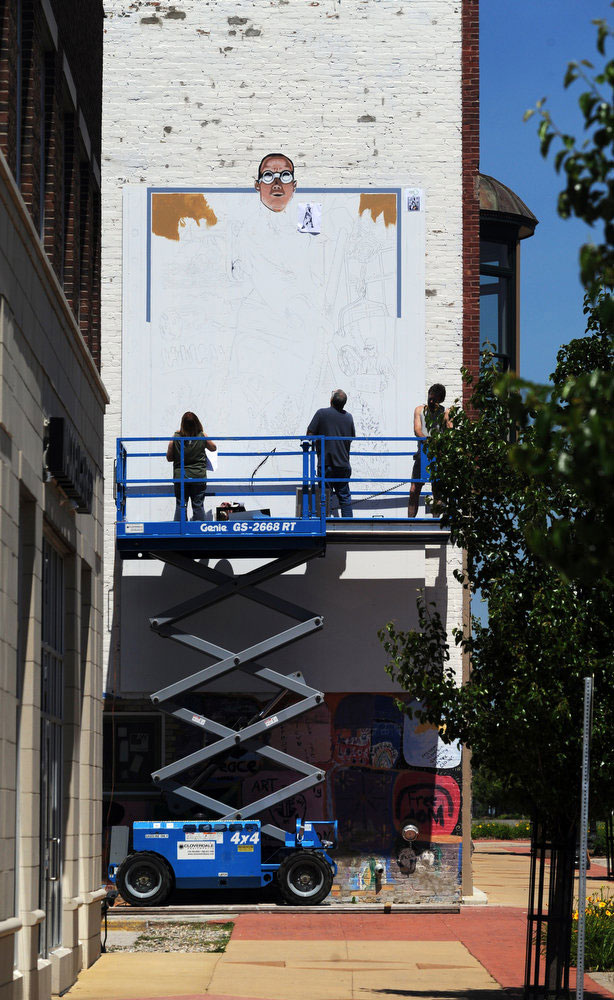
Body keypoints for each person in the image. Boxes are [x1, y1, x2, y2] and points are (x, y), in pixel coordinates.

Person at [307, 390, 355, 518]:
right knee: (344, 497)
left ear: (331, 400)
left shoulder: (322, 414)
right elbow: (350, 438)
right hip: (343, 464)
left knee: (325, 496)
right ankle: (349, 526)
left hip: (326, 463)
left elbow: (309, 434)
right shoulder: (349, 417)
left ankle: (324, 524)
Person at [407, 384, 451, 518]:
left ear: (440, 400)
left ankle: (436, 522)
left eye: (435, 400)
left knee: (437, 491)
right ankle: (410, 522)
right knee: (414, 489)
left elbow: (450, 431)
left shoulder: (445, 412)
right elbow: (417, 430)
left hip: (439, 455)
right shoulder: (419, 410)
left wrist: (450, 419)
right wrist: (429, 440)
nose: (431, 402)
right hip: (423, 453)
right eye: (430, 399)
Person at [166, 412, 216, 521]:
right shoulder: (202, 436)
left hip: (181, 476)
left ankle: (179, 531)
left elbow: (169, 457)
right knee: (198, 504)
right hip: (198, 476)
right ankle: (198, 531)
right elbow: (213, 448)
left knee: (181, 504)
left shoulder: (175, 437)